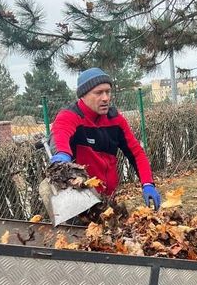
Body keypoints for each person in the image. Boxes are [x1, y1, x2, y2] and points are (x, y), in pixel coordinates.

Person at [50, 67, 161, 208]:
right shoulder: (70, 116)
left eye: (108, 92)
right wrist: (62, 155)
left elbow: (136, 153)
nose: (105, 98)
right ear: (83, 96)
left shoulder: (115, 119)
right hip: (79, 199)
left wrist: (147, 183)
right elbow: (60, 133)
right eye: (98, 93)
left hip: (109, 197)